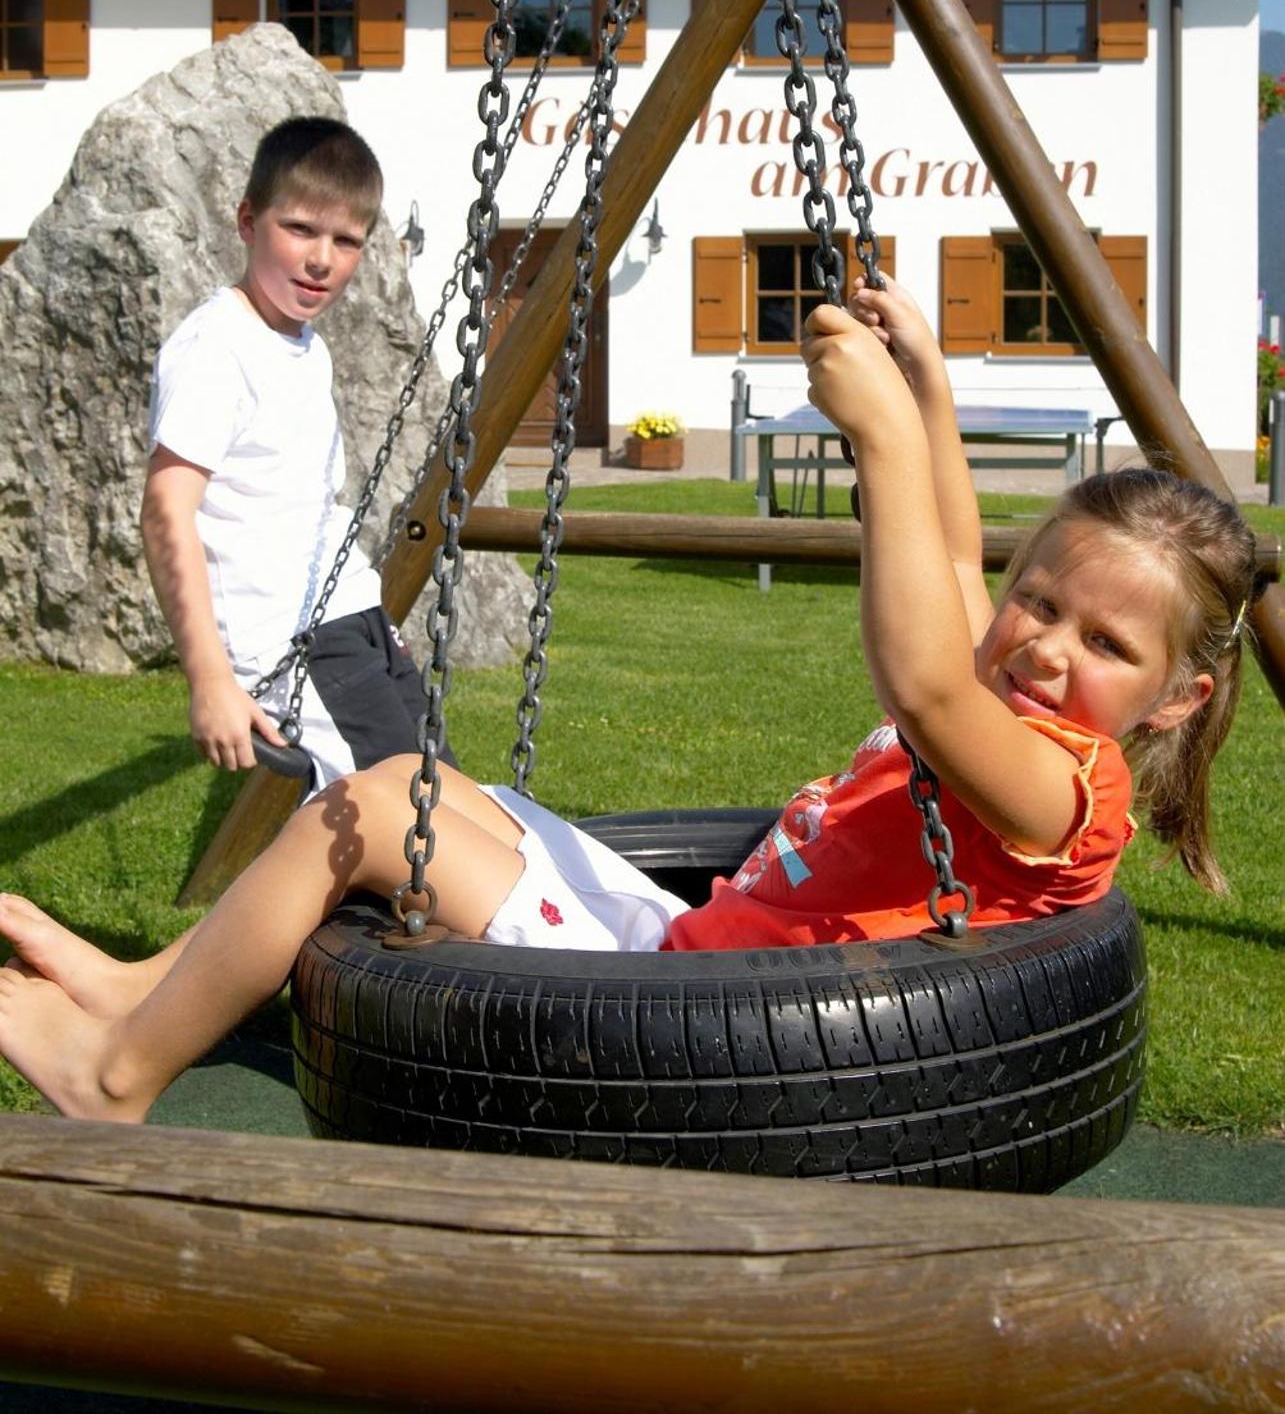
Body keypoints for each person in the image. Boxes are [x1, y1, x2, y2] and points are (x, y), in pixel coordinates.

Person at [0, 276, 1256, 1123]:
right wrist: (923, 384)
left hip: (701, 1021)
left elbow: (926, 686)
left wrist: (873, 437)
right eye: (1037, 602)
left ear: (1171, 699)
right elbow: (950, 540)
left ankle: (117, 1074)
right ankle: (140, 989)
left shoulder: (1071, 790)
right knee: (421, 789)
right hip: (686, 946)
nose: (1042, 645)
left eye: (1104, 643)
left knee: (374, 818)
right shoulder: (1024, 689)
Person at [139, 113, 445, 788]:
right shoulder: (216, 348)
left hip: (349, 617)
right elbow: (166, 510)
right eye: (300, 229)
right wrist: (209, 678)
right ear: (248, 221)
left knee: (440, 804)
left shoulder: (305, 346)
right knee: (409, 822)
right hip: (292, 643)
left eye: (346, 240)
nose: (321, 259)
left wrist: (373, 622)